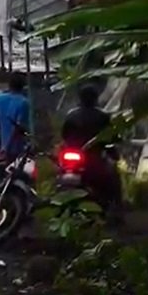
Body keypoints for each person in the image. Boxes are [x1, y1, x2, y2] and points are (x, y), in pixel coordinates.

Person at [61, 85, 122, 214]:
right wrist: (114, 152)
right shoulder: (102, 116)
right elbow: (110, 137)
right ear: (95, 99)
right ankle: (116, 210)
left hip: (73, 156)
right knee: (114, 180)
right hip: (94, 156)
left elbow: (64, 135)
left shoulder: (71, 115)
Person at [0, 73, 30, 160]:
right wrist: (7, 148)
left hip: (3, 146)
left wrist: (4, 147)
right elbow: (17, 127)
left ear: (9, 85)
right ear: (23, 86)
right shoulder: (24, 102)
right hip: (16, 149)